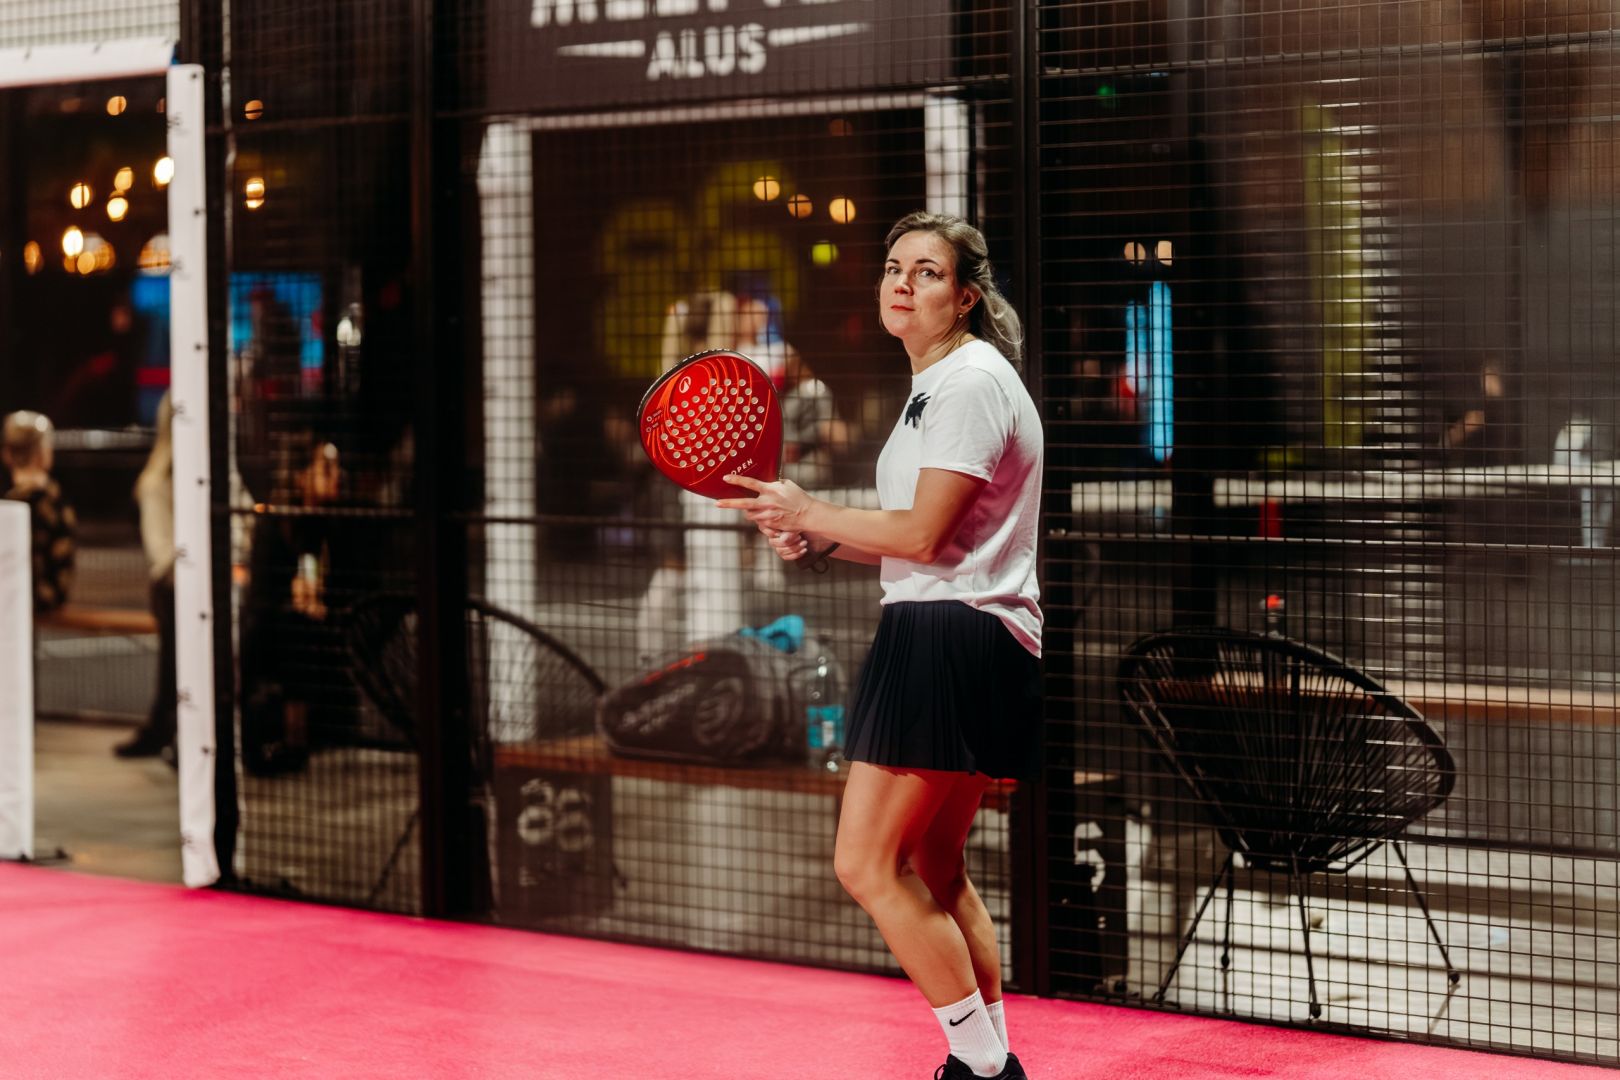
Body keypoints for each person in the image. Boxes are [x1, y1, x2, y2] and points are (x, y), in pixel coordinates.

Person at [718, 211, 1041, 1080]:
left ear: (964, 297)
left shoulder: (968, 384)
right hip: (969, 630)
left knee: (864, 863)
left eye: (927, 272)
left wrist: (810, 508)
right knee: (935, 864)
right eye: (895, 268)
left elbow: (926, 536)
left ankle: (982, 1068)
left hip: (951, 633)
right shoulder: (942, 384)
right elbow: (915, 535)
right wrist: (818, 536)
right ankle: (991, 1059)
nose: (903, 283)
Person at [115, 393, 179, 761]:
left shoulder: (213, 474)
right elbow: (161, 553)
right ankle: (163, 729)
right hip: (173, 588)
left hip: (207, 587)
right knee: (174, 665)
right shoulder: (155, 483)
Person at [2, 410, 77, 615]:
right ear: (42, 452)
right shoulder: (53, 498)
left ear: (7, 453)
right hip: (36, 600)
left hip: (23, 601)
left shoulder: (17, 501)